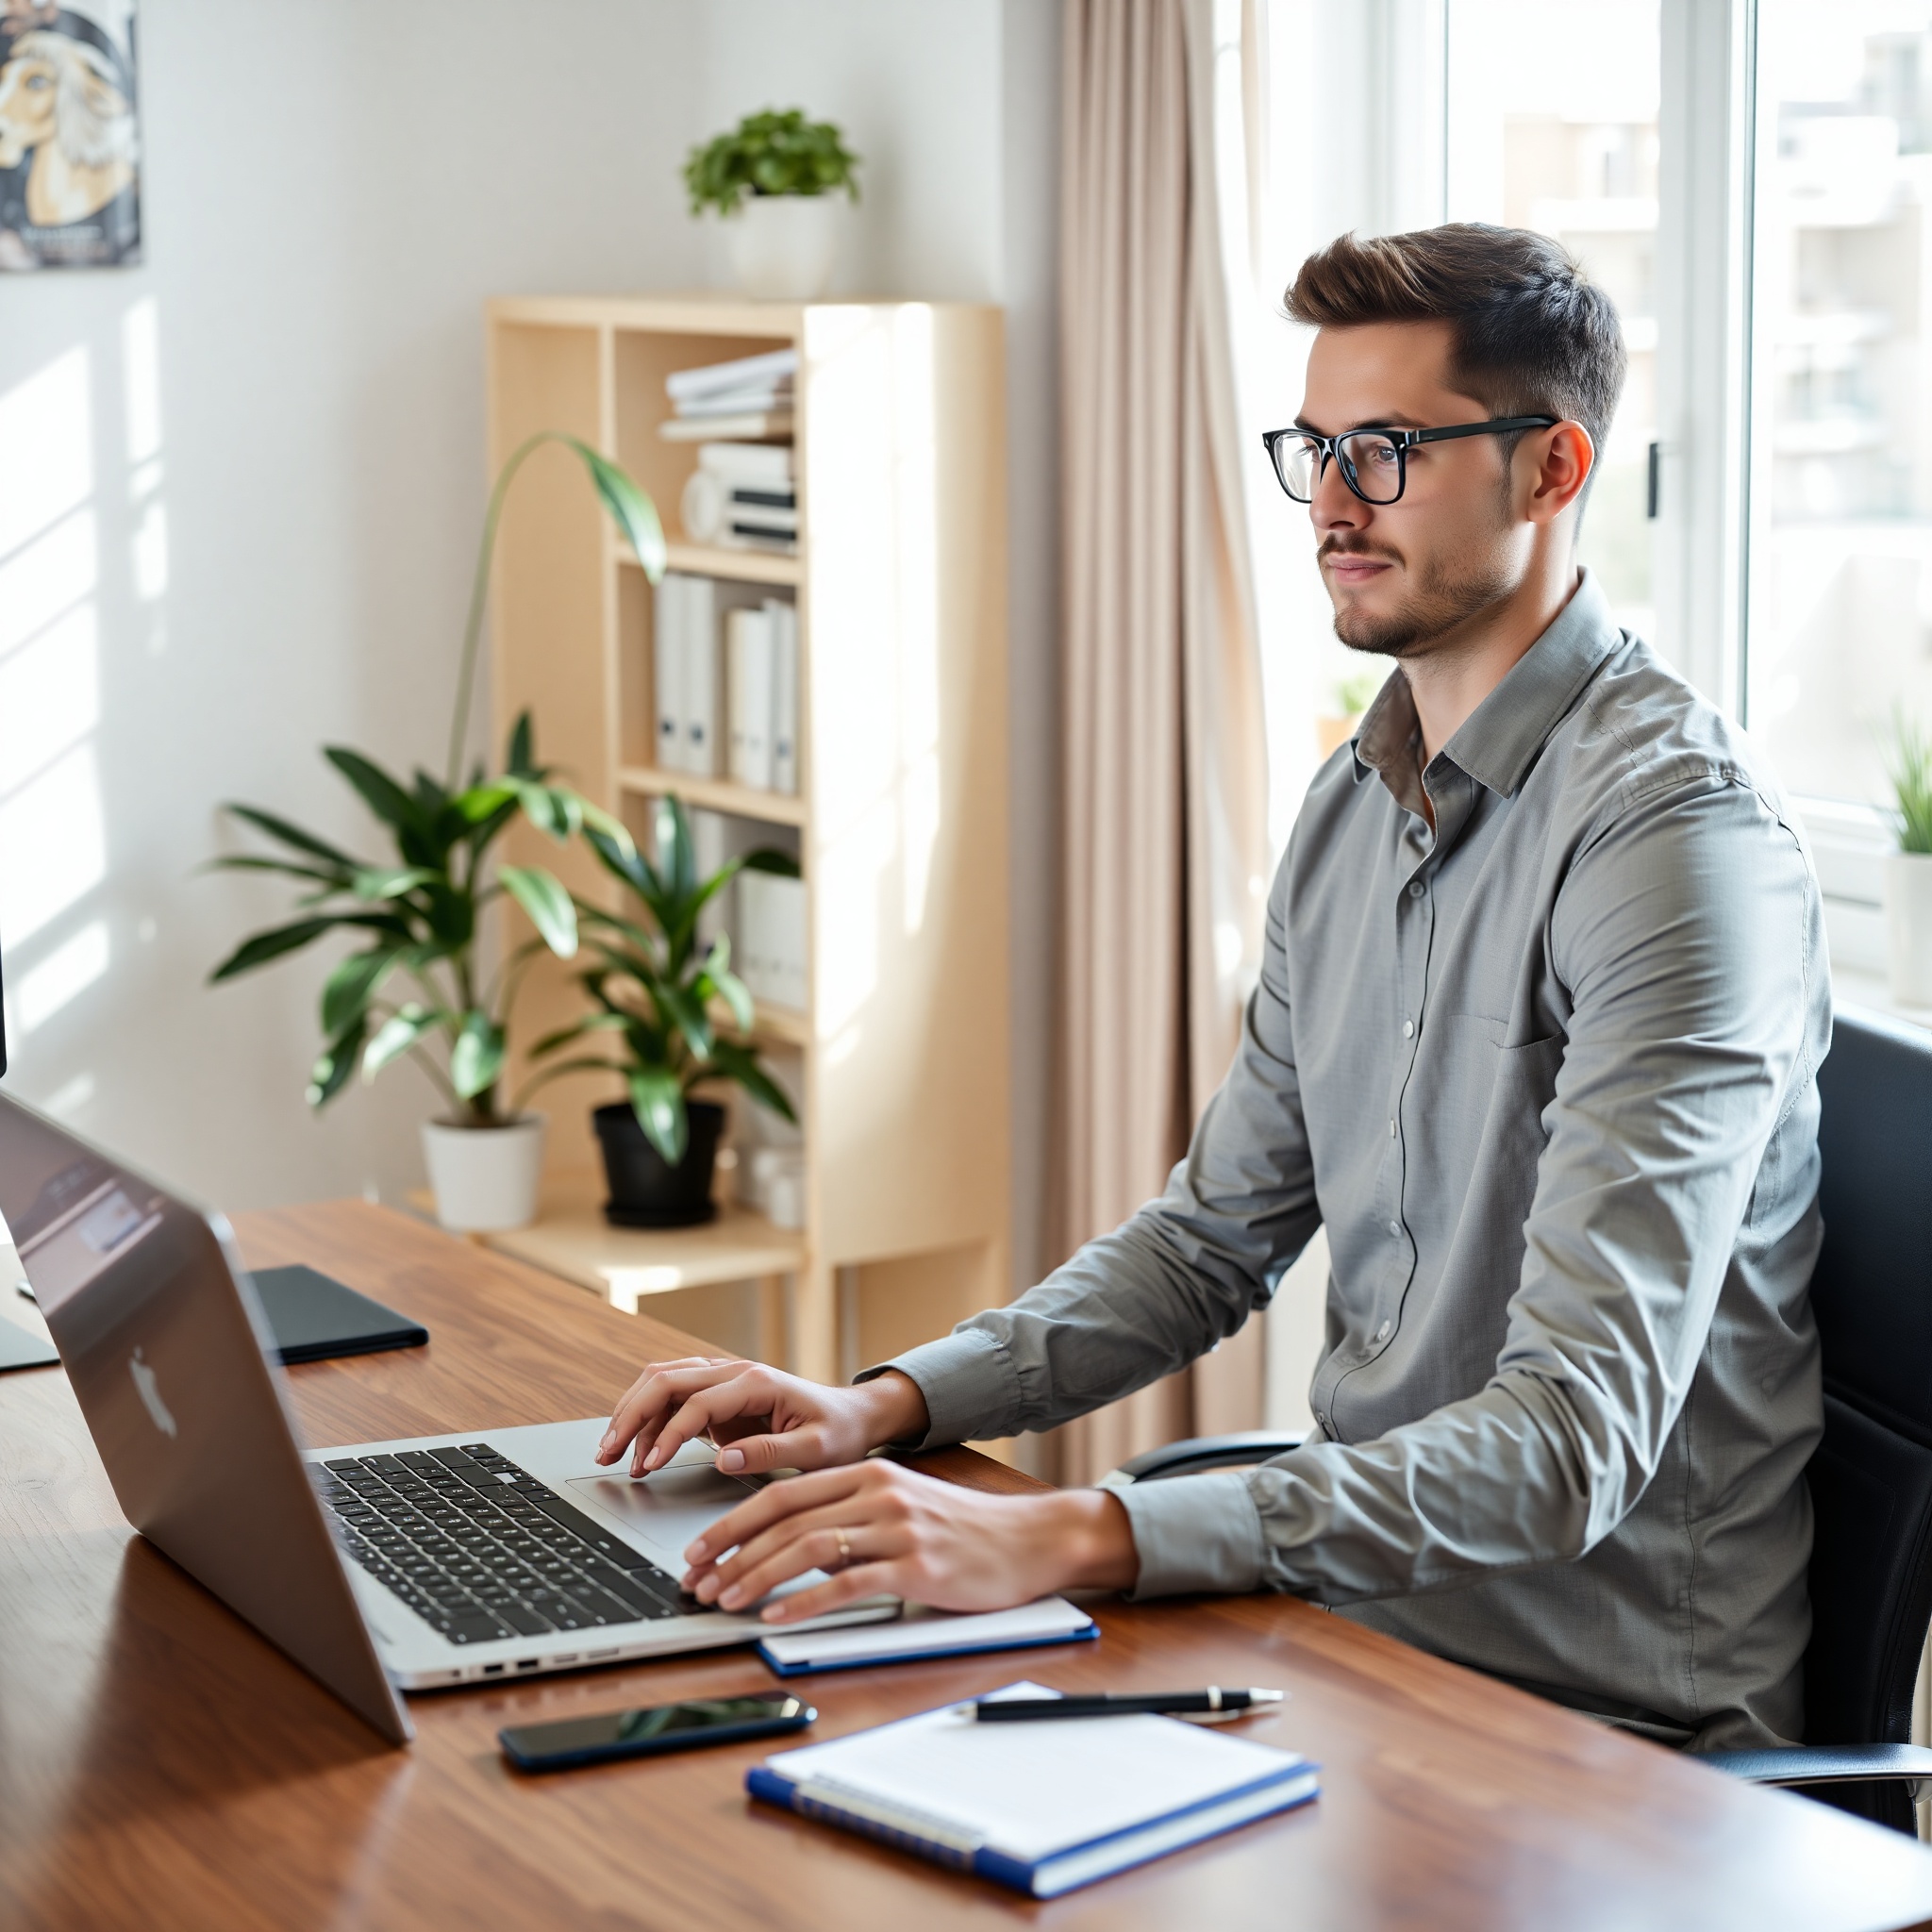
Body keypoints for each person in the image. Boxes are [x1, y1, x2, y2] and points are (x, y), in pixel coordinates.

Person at [598, 224, 1828, 1753]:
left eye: (1385, 452)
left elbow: (1572, 1440)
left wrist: (1077, 1531)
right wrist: (887, 1404)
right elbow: (1206, 1245)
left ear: (1552, 469)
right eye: (1315, 449)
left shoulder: (1679, 844)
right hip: (1349, 1636)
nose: (1332, 503)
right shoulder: (1355, 802)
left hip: (1604, 1731)